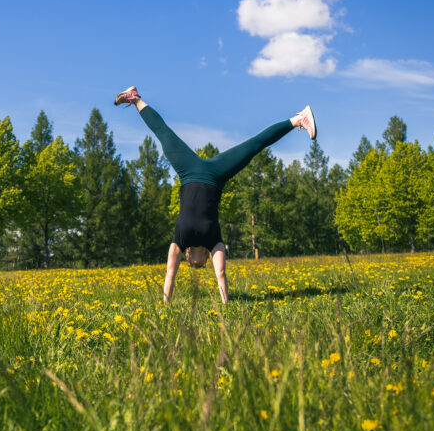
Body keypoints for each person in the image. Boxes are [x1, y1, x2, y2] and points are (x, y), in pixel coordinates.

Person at [114, 86, 316, 304]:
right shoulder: (214, 242)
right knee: (254, 146)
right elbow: (220, 274)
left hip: (189, 172)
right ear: (206, 257)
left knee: (163, 133)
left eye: (193, 263)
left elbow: (170, 274)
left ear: (188, 255)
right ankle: (297, 120)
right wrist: (225, 305)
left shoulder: (180, 241)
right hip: (215, 176)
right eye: (199, 264)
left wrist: (165, 307)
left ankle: (135, 99)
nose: (195, 263)